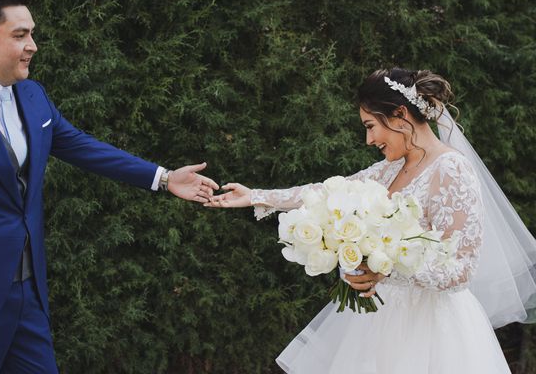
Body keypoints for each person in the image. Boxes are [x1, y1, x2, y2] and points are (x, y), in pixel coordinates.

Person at [0, 0, 219, 373]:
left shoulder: (32, 95)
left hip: (28, 298)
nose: (32, 45)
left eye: (32, 34)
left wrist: (165, 178)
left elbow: (82, 146)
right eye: (19, 35)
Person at [206, 67, 536, 373]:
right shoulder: (392, 168)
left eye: (370, 126)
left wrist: (388, 268)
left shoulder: (452, 169)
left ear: (400, 115)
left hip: (433, 330)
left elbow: (462, 270)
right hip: (380, 320)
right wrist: (257, 196)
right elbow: (327, 192)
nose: (369, 140)